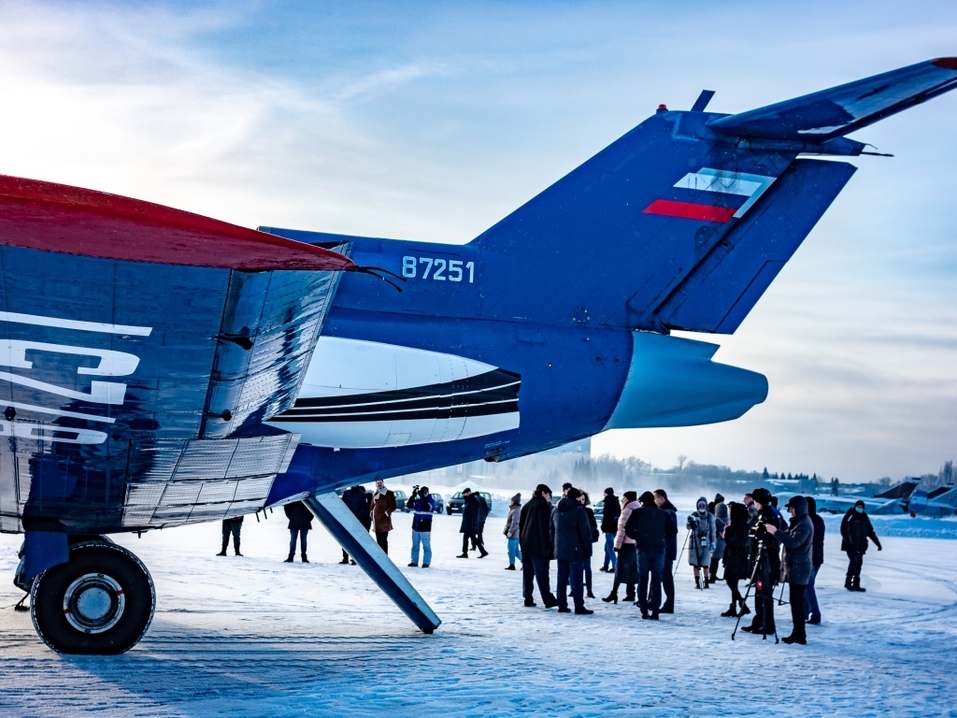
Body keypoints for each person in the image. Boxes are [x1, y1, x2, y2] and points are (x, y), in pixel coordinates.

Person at [765, 495, 814, 645]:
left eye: (792, 508)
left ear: (799, 508)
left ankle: (799, 635)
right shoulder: (799, 522)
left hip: (800, 569)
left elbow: (794, 542)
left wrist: (775, 532)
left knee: (797, 604)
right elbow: (791, 537)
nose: (790, 511)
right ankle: (797, 633)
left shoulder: (804, 524)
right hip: (796, 568)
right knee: (796, 603)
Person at [741, 487, 782, 636]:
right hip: (765, 557)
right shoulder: (772, 512)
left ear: (757, 501)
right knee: (760, 592)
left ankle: (767, 625)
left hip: (767, 559)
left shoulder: (767, 514)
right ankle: (759, 621)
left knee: (764, 593)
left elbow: (773, 534)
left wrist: (765, 539)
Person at [550, 487, 594, 614]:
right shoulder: (579, 510)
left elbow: (551, 530)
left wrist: (555, 546)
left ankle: (562, 604)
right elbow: (585, 532)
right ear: (576, 497)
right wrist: (587, 550)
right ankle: (579, 606)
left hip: (561, 548)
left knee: (561, 578)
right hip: (576, 550)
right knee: (576, 579)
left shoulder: (556, 509)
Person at [626, 491, 667, 619]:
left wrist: (637, 536)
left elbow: (628, 528)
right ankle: (655, 610)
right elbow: (672, 530)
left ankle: (643, 608)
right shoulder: (663, 513)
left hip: (642, 549)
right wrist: (660, 536)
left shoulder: (638, 512)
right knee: (656, 581)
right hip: (658, 550)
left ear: (642, 501)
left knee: (642, 580)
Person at [519, 484, 557, 608]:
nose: (549, 499)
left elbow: (521, 527)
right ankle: (548, 600)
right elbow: (545, 528)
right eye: (549, 496)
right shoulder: (543, 506)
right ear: (544, 493)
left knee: (528, 574)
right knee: (542, 575)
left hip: (526, 545)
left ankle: (527, 597)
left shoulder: (527, 505)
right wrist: (548, 546)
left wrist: (522, 543)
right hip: (539, 546)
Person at [604, 491, 639, 604]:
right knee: (633, 569)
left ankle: (614, 593)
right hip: (636, 544)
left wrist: (617, 545)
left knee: (620, 570)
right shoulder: (638, 508)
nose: (622, 501)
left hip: (626, 544)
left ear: (627, 499)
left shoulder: (627, 510)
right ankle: (631, 594)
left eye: (623, 499)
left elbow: (622, 530)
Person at [840, 499, 882, 592]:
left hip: (861, 545)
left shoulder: (865, 518)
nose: (860, 509)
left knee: (859, 564)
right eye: (858, 507)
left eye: (861, 507)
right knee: (854, 562)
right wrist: (849, 541)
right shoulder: (850, 516)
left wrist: (877, 544)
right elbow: (844, 529)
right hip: (850, 545)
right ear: (855, 507)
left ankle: (856, 584)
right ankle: (848, 583)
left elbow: (870, 532)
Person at [721, 502, 751, 618]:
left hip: (736, 556)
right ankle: (734, 606)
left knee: (730, 580)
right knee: (733, 581)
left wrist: (726, 535)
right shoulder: (739, 524)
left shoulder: (739, 526)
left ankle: (741, 604)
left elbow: (735, 542)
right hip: (734, 555)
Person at [654, 489, 678, 613]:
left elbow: (671, 532)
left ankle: (669, 604)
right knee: (663, 577)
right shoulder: (666, 511)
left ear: (662, 498)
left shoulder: (668, 513)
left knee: (666, 577)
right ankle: (666, 603)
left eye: (655, 498)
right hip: (665, 549)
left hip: (666, 550)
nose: (654, 501)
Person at [687, 497, 715, 588]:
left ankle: (706, 582)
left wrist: (713, 542)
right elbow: (688, 527)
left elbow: (712, 530)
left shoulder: (710, 516)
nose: (701, 507)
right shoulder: (694, 515)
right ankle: (697, 583)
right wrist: (690, 521)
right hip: (694, 542)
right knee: (695, 563)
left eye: (703, 505)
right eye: (700, 505)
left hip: (706, 542)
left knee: (706, 563)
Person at [805, 496, 825, 623]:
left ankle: (814, 612)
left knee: (808, 586)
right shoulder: (818, 519)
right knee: (808, 586)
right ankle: (806, 612)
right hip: (817, 557)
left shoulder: (809, 520)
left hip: (811, 557)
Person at [340, 485, 371, 564]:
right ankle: (345, 558)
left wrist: (357, 516)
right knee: (345, 539)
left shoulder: (362, 494)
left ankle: (355, 558)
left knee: (356, 540)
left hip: (357, 520)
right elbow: (342, 505)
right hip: (347, 519)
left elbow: (365, 507)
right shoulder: (346, 493)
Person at [408, 486, 435, 568]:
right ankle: (414, 561)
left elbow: (427, 507)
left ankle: (426, 562)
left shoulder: (431, 501)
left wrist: (422, 497)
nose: (424, 493)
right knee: (415, 545)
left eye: (425, 491)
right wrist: (413, 496)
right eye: (423, 491)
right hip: (415, 526)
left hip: (425, 527)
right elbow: (409, 505)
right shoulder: (418, 501)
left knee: (426, 546)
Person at [580, 490, 600, 599]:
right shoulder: (574, 511)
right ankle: (575, 588)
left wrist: (588, 532)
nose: (582, 501)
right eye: (580, 499)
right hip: (577, 543)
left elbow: (594, 525)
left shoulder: (588, 511)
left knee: (587, 567)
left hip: (586, 542)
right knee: (576, 567)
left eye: (583, 499)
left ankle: (589, 589)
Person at [458, 488, 488, 558]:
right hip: (468, 523)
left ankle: (465, 553)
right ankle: (483, 552)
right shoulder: (469, 500)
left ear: (468, 493)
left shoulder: (473, 501)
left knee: (466, 538)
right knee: (473, 538)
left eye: (465, 494)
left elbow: (475, 514)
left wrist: (474, 524)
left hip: (470, 524)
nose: (464, 495)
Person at [371, 479, 397, 554]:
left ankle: (385, 556)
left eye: (380, 482)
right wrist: (371, 512)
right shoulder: (375, 494)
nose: (379, 484)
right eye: (378, 483)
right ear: (375, 484)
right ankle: (380, 556)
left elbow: (393, 506)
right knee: (378, 540)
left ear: (383, 483)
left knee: (383, 540)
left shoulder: (389, 493)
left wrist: (386, 513)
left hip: (384, 521)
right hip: (376, 522)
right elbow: (372, 505)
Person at [600, 487, 621, 573]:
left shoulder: (608, 502)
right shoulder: (616, 502)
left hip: (609, 528)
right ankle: (606, 565)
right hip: (614, 528)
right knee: (607, 547)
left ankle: (615, 566)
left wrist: (604, 526)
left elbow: (607, 517)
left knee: (609, 547)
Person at [709, 493, 728, 585]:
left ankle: (712, 576)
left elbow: (713, 532)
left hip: (718, 541)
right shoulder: (728, 519)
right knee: (724, 560)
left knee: (714, 559)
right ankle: (726, 576)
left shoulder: (716, 520)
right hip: (726, 542)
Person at [504, 493, 523, 570]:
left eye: (511, 501)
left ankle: (512, 564)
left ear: (514, 502)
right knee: (515, 550)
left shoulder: (516, 511)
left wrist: (510, 532)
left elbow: (515, 522)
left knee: (511, 550)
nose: (510, 503)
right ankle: (522, 562)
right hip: (515, 534)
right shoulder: (515, 510)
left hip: (514, 534)